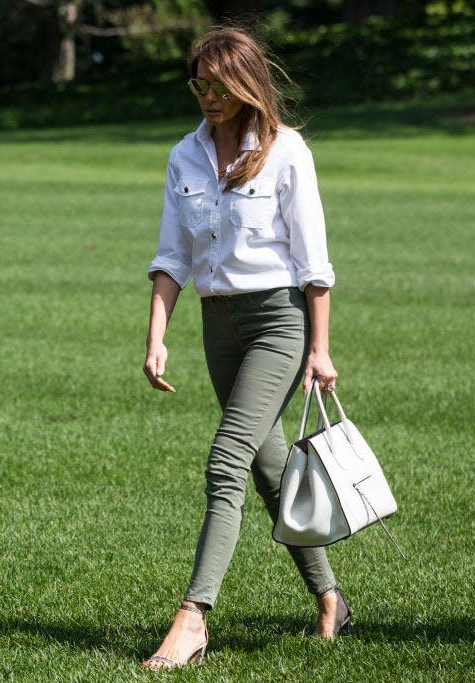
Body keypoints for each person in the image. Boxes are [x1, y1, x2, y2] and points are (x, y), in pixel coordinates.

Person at [140, 27, 350, 670]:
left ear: (244, 85)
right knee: (267, 468)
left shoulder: (287, 152)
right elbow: (172, 257)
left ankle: (193, 617)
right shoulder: (184, 155)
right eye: (197, 85)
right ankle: (330, 597)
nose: (206, 96)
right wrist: (156, 336)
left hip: (278, 324)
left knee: (225, 462)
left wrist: (320, 348)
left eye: (218, 86)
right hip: (217, 325)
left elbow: (314, 262)